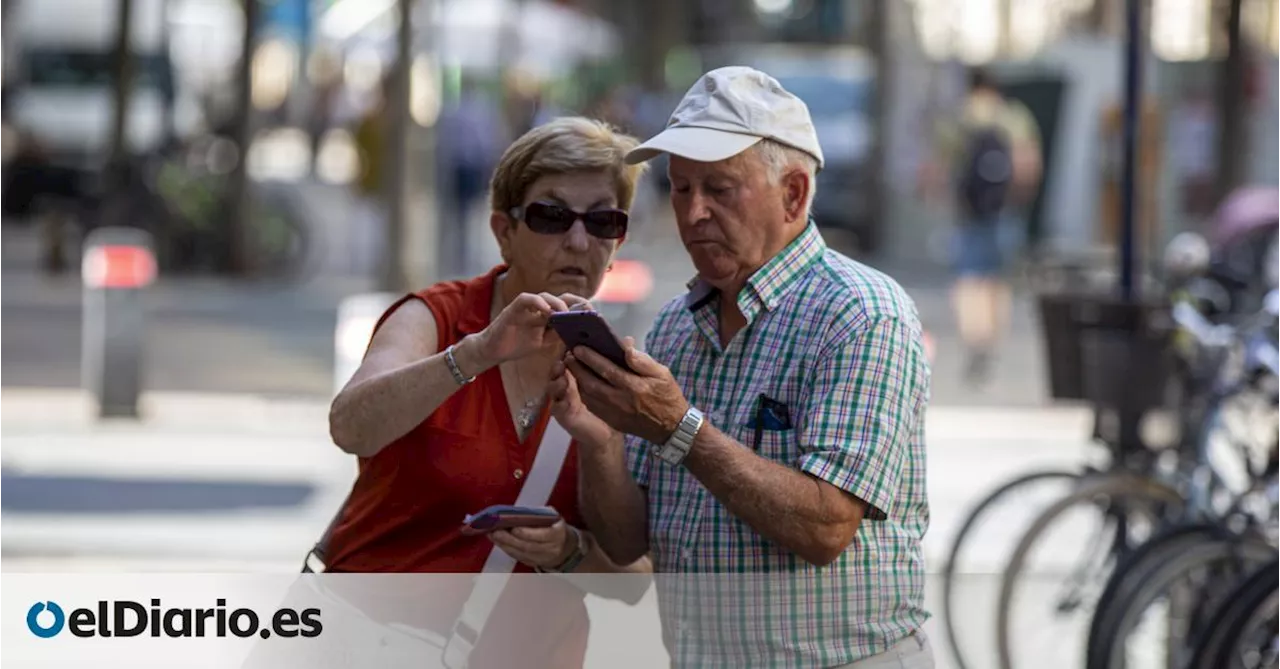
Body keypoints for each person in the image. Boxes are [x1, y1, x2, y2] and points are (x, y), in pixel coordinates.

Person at [548, 67, 934, 668]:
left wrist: (680, 427)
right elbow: (627, 543)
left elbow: (826, 527)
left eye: (720, 189)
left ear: (794, 195)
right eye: (680, 189)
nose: (694, 212)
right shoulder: (677, 323)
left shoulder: (861, 314)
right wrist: (598, 437)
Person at [314, 116, 652, 669]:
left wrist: (570, 552)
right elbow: (350, 426)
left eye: (602, 221)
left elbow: (636, 579)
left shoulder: (623, 370)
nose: (577, 241)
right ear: (503, 231)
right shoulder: (437, 318)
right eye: (550, 215)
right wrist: (475, 354)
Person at [923, 68, 1043, 386]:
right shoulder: (1013, 116)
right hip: (1005, 208)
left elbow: (940, 164)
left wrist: (937, 195)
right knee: (997, 279)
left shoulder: (960, 117)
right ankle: (991, 340)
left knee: (968, 278)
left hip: (968, 211)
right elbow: (1028, 162)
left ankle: (974, 338)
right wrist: (1019, 197)